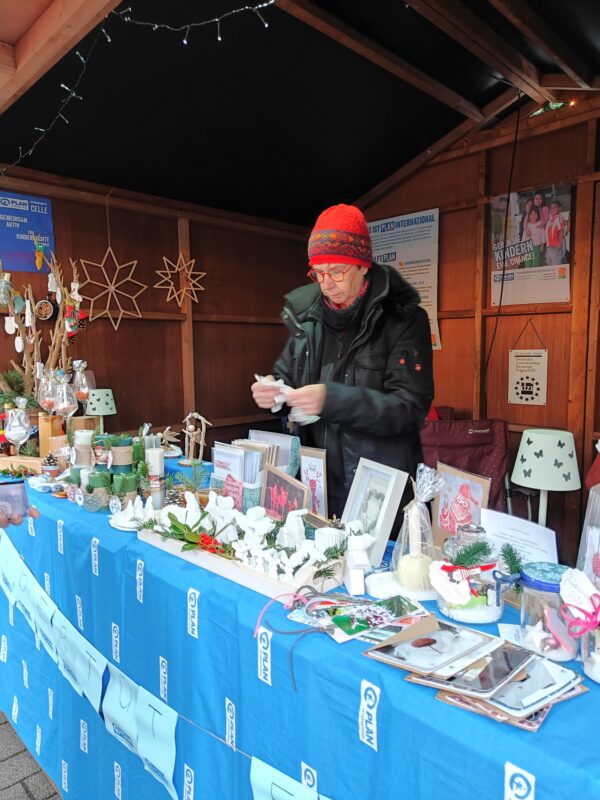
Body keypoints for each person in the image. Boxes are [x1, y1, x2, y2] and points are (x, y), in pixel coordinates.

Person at [251, 203, 434, 522]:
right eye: (318, 273)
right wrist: (272, 392)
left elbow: (409, 409)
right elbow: (286, 377)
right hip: (317, 480)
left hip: (378, 488)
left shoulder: (404, 320)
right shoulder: (308, 319)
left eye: (336, 271)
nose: (326, 283)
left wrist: (331, 399)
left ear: (363, 265)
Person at [545, 200, 566, 265]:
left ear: (559, 208)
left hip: (555, 246)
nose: (552, 209)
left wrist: (559, 244)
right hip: (549, 246)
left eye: (554, 207)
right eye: (551, 208)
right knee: (549, 263)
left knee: (555, 265)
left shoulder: (559, 217)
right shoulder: (551, 219)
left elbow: (561, 231)